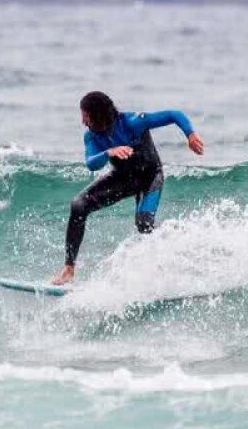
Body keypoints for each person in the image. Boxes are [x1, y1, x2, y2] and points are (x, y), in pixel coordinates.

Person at [50, 91, 204, 285]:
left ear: (97, 114)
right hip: (122, 180)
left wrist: (190, 134)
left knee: (144, 224)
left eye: (85, 116)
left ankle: (169, 266)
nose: (83, 121)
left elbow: (174, 115)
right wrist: (108, 152)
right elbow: (91, 163)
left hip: (149, 178)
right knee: (78, 205)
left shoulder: (132, 122)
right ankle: (68, 269)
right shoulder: (91, 137)